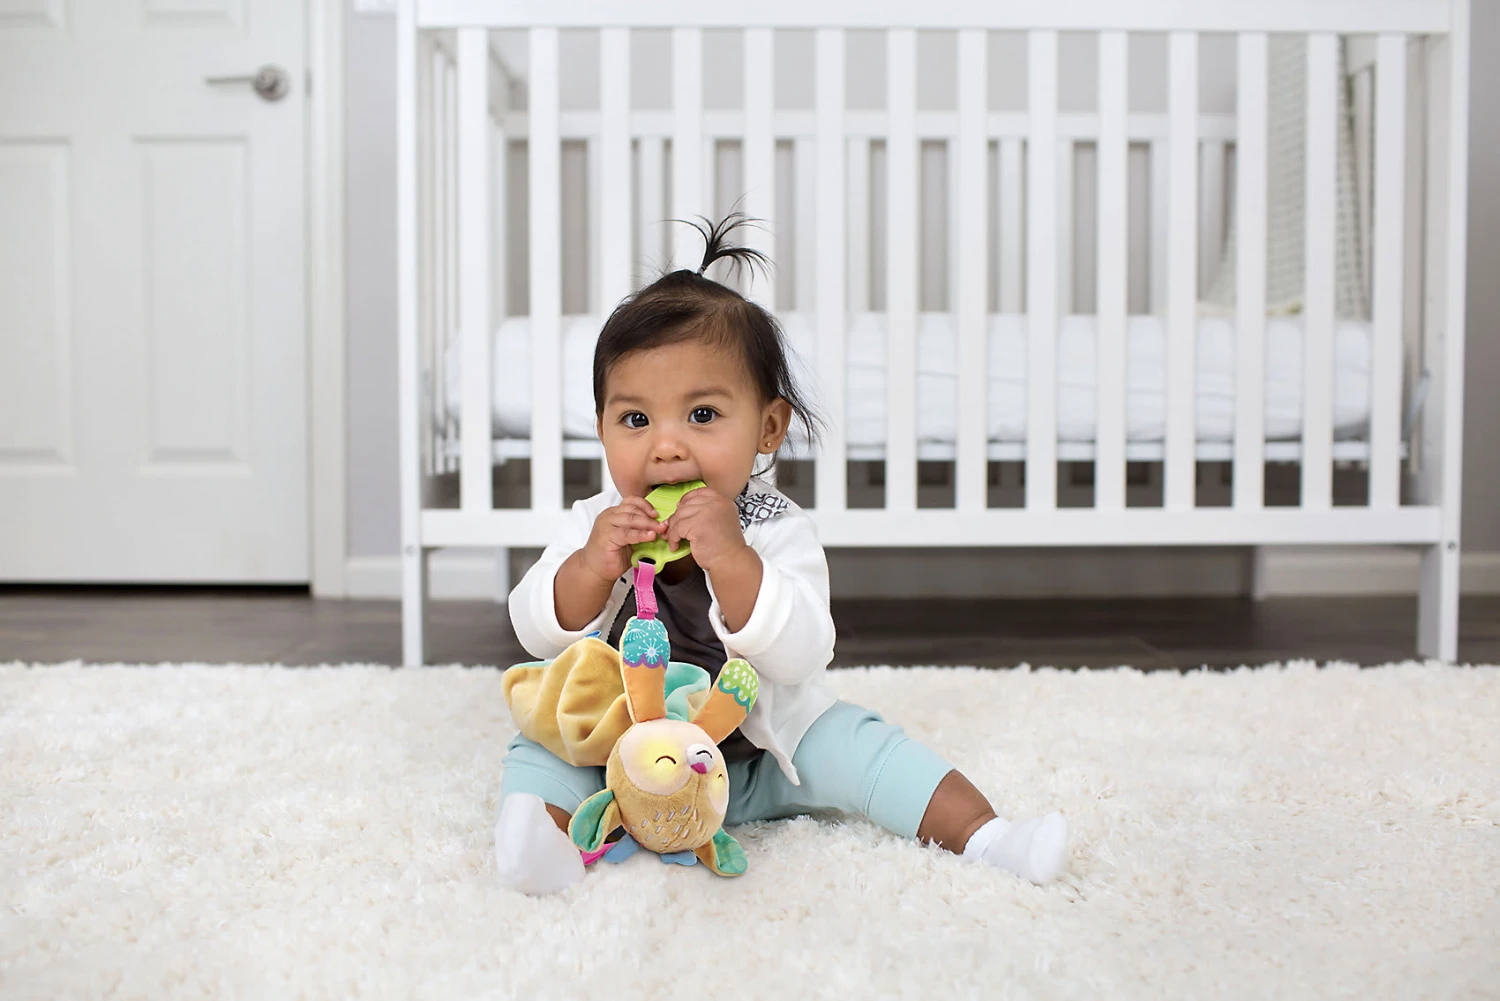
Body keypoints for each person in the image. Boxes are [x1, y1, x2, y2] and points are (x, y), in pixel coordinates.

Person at [494, 214, 1069, 896]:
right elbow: (534, 629)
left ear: (768, 427)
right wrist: (591, 568)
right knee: (542, 740)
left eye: (702, 415)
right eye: (636, 419)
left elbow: (801, 654)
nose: (666, 446)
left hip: (757, 762)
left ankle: (988, 835)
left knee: (858, 743)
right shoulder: (599, 522)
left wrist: (732, 559)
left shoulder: (774, 526)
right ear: (601, 429)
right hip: (622, 761)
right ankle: (543, 842)